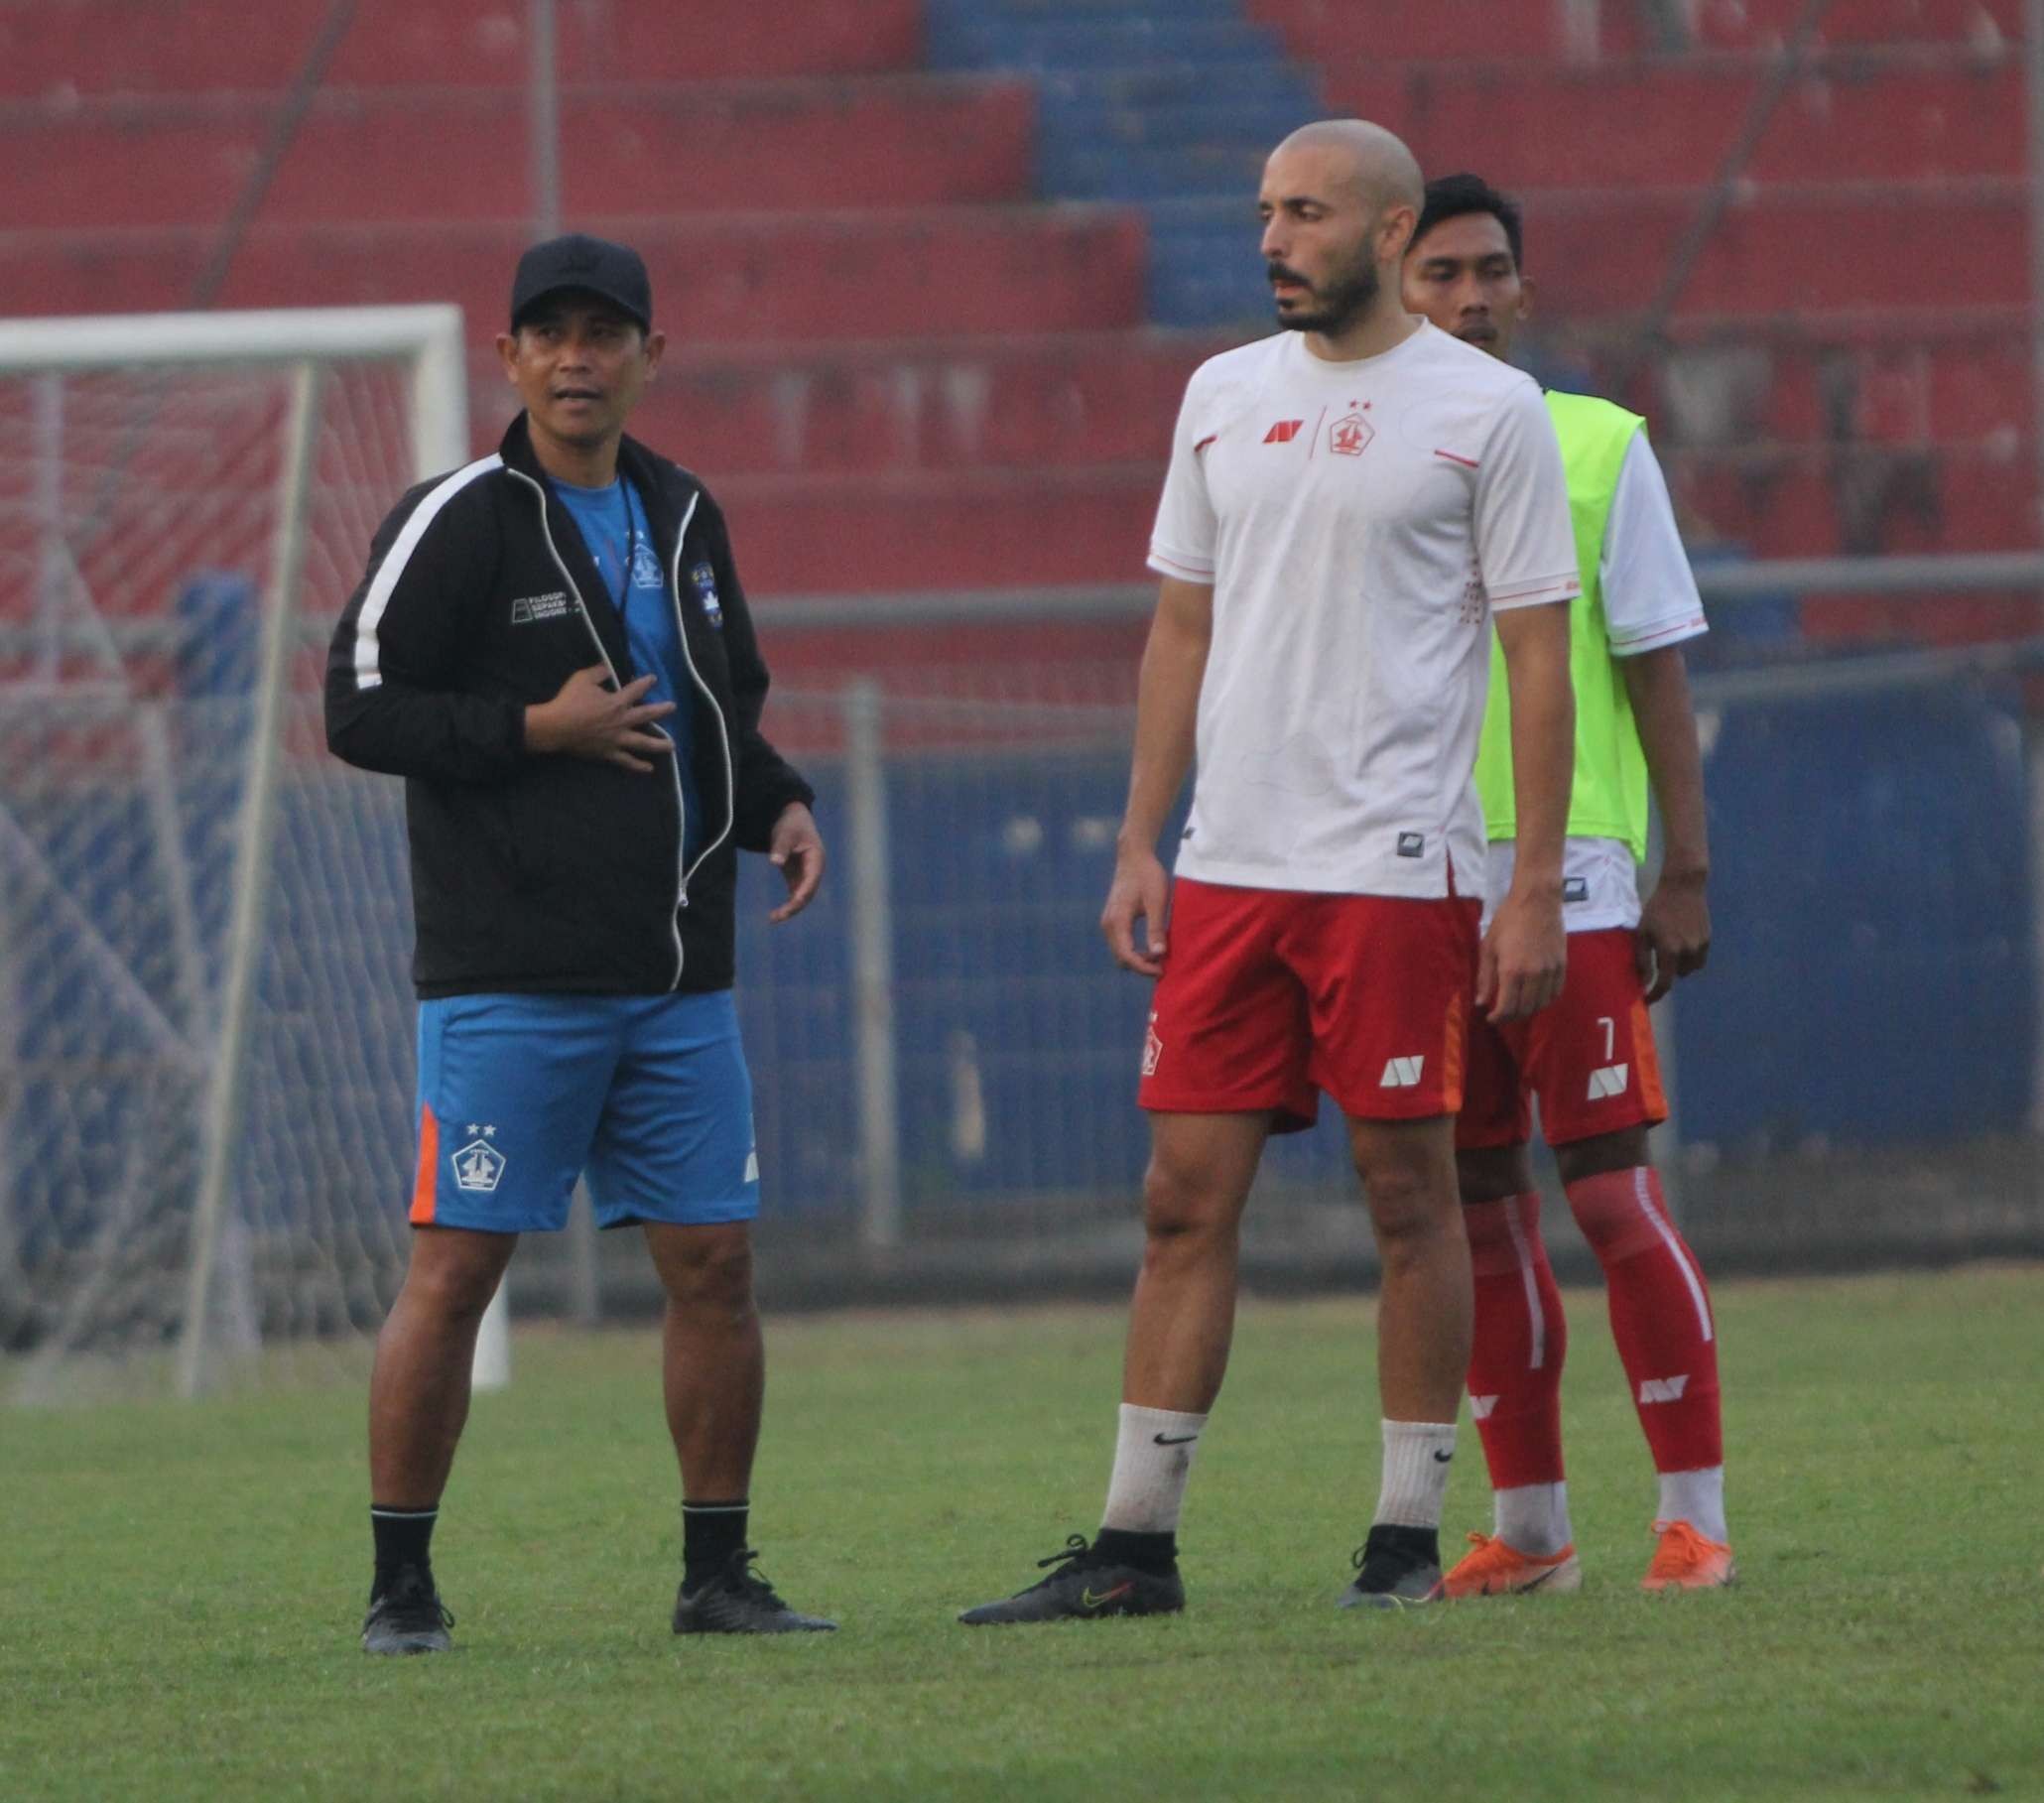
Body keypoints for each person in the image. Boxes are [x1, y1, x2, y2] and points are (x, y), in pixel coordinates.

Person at [958, 122, 1580, 1623]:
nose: (1271, 238)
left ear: (1386, 225)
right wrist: (1137, 838)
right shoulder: (1220, 395)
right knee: (1181, 1196)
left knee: (1406, 1189)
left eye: (1303, 212)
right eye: (1262, 212)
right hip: (1233, 866)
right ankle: (1134, 1544)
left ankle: (1405, 1537)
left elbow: (1539, 656)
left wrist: (1532, 880)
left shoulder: (1488, 411)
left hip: (1395, 867)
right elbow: (1180, 629)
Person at [325, 232, 834, 1650]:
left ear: (649, 357)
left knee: (716, 1266)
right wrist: (532, 728)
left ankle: (717, 1576)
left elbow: (716, 706)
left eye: (604, 333)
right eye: (548, 333)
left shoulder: (684, 511)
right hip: (508, 981)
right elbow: (357, 704)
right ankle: (402, 1587)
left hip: (677, 983)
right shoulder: (463, 516)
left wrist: (778, 801)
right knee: (458, 1270)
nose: (576, 357)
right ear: (509, 360)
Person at [1402, 175, 1732, 1594]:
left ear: (1524, 290)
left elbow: (1656, 666)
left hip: (1579, 879)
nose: (1470, 299)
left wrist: (1685, 870)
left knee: (1605, 1193)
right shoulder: (1367, 458)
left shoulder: (1597, 447)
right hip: (1413, 886)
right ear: (1397, 288)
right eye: (1440, 276)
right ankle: (1531, 1528)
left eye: (1490, 272)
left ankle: (1696, 1514)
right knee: (1475, 1210)